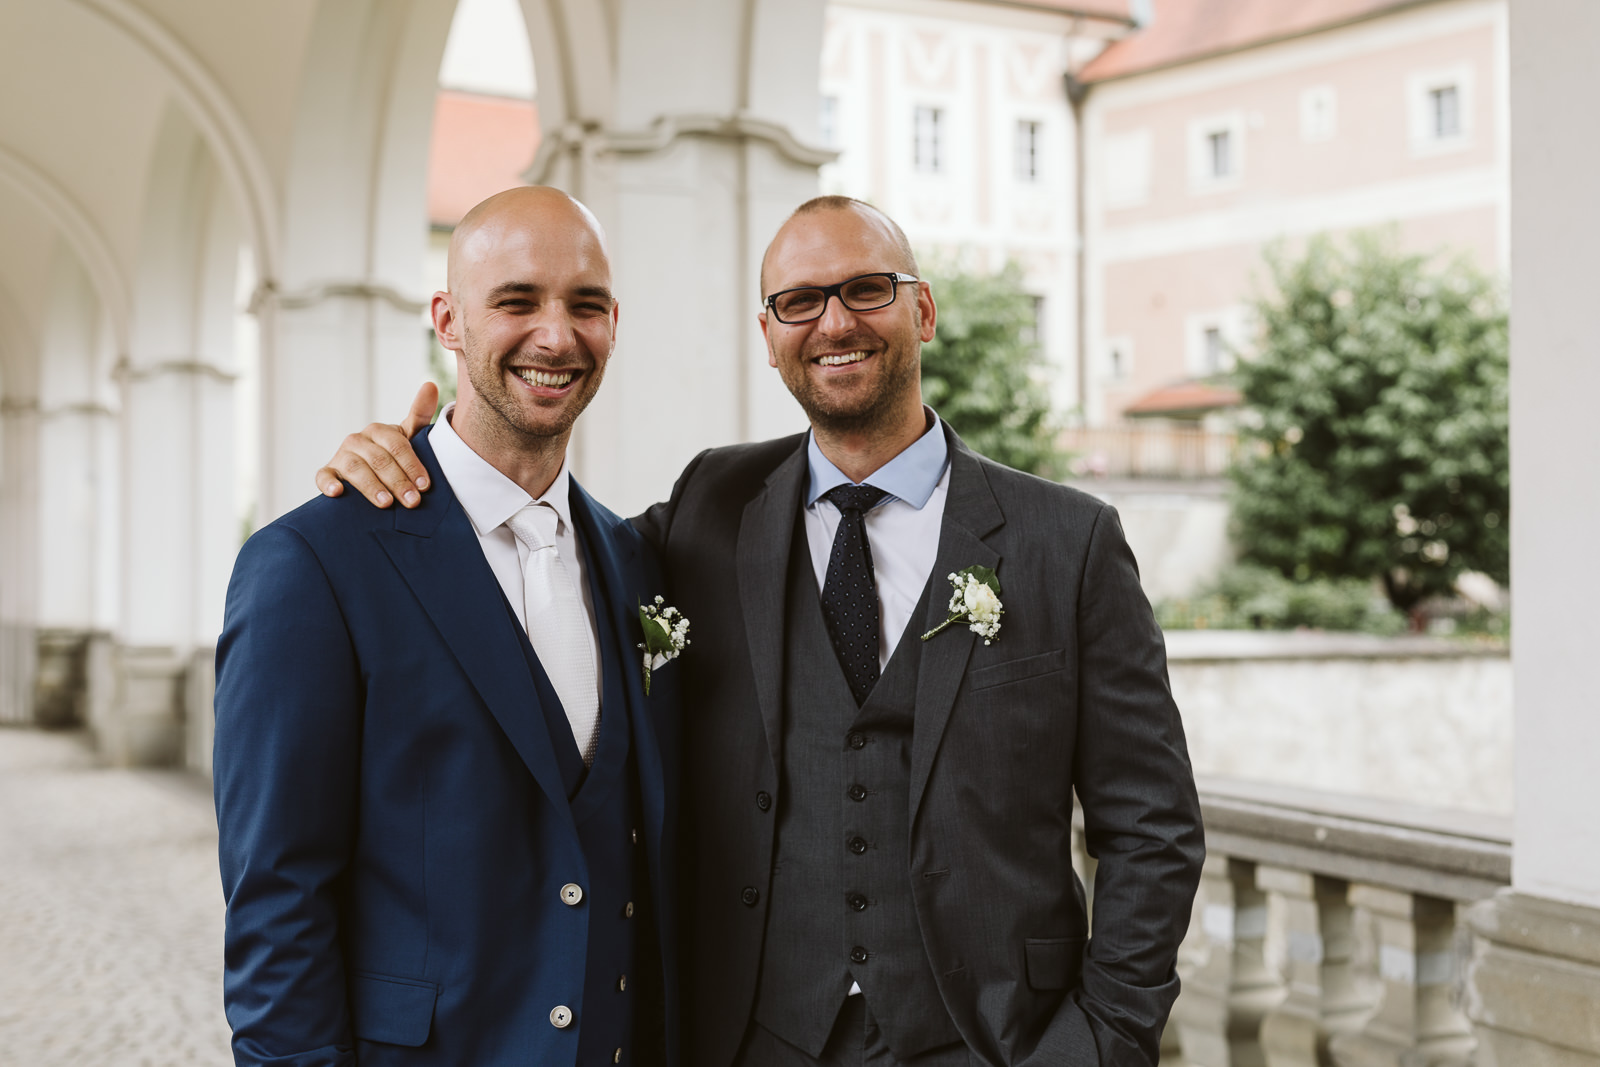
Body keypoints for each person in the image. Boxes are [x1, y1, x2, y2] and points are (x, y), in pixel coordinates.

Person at [318, 195, 1203, 1066]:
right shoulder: (712, 506)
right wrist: (411, 460)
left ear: (922, 309)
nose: (833, 321)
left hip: (996, 1039)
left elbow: (1153, 827)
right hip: (751, 1037)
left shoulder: (1068, 541)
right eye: (799, 301)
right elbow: (541, 544)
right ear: (771, 334)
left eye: (866, 289)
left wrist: (1097, 1042)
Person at [215, 187, 680, 1067]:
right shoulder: (314, 564)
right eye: (516, 301)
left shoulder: (639, 560)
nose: (556, 335)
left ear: (614, 323)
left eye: (586, 305)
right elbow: (277, 899)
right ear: (448, 321)